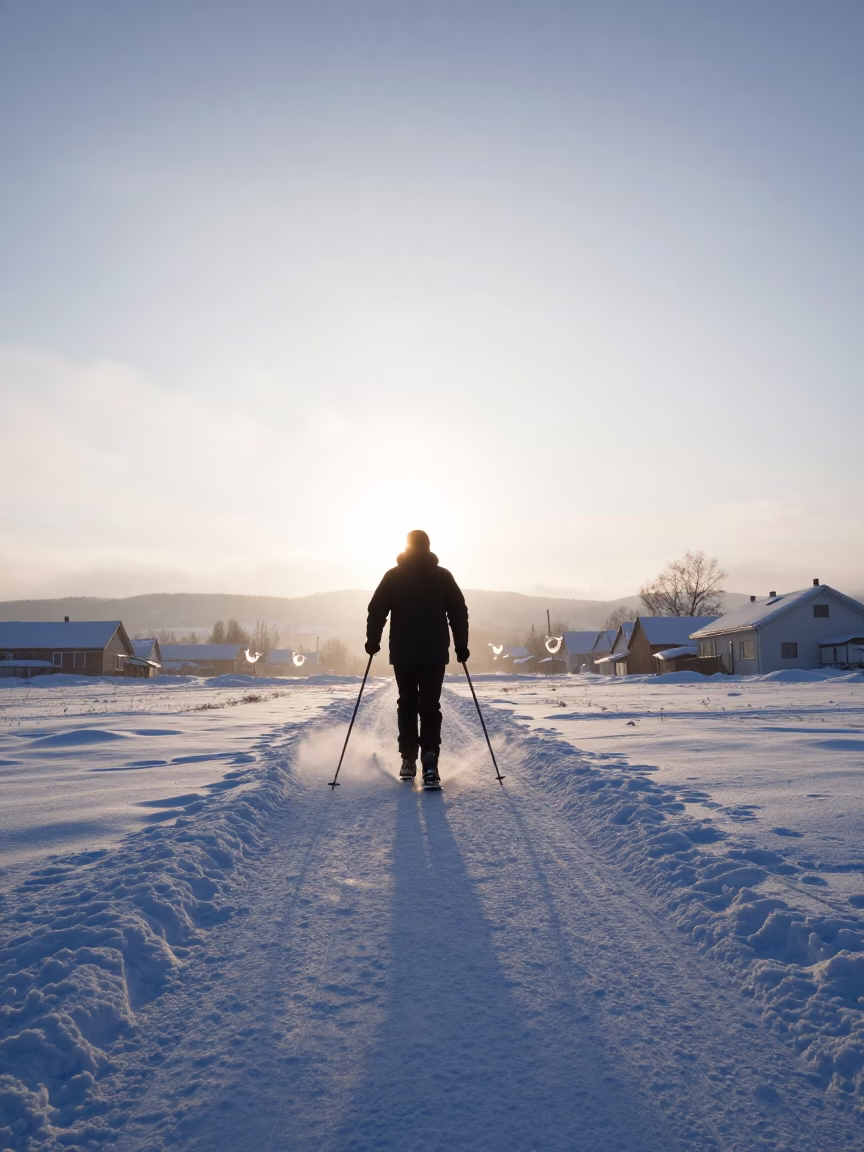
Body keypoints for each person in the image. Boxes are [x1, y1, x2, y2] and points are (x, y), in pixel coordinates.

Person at [365, 530, 469, 786]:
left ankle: (408, 760)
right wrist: (461, 646)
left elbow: (376, 609)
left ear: (407, 547)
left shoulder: (394, 576)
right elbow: (458, 612)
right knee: (430, 706)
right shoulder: (443, 576)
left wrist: (373, 641)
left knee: (408, 704)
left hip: (403, 652)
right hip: (434, 653)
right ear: (428, 547)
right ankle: (430, 762)